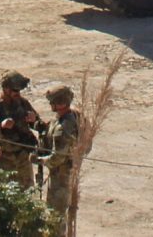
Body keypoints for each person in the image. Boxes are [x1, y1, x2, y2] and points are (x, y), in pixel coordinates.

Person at [0, 72, 44, 186]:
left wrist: (34, 120)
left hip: (23, 159)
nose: (18, 94)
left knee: (28, 195)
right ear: (6, 89)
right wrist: (1, 127)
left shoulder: (22, 103)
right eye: (15, 90)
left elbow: (39, 125)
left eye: (19, 91)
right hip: (3, 160)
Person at [41, 85, 84, 226]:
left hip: (61, 178)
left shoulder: (63, 127)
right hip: (69, 173)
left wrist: (39, 160)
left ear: (60, 103)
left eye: (52, 102)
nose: (50, 105)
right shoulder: (75, 117)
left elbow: (56, 158)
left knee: (55, 219)